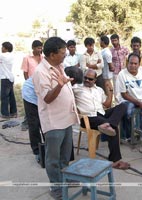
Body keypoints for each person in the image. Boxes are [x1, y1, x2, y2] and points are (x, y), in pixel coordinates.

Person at [32, 37, 79, 200]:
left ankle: (64, 178)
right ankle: (57, 187)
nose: (65, 55)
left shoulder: (58, 65)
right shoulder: (40, 72)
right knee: (53, 158)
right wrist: (60, 86)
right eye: (62, 53)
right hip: (53, 122)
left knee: (65, 155)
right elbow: (47, 98)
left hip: (66, 118)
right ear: (52, 54)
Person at [73, 69, 130, 169]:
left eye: (90, 79)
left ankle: (109, 124)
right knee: (113, 129)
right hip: (88, 118)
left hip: (101, 114)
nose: (87, 80)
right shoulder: (77, 89)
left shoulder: (98, 90)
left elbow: (107, 104)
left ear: (95, 80)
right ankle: (115, 160)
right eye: (85, 78)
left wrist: (111, 91)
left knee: (123, 106)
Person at [116, 53, 142, 139]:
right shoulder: (122, 74)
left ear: (139, 64)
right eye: (131, 63)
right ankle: (127, 136)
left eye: (135, 64)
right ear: (127, 63)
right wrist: (139, 103)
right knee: (128, 112)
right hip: (128, 100)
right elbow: (124, 95)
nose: (133, 65)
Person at [21, 40, 43, 131]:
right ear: (33, 48)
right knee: (30, 105)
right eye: (38, 48)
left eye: (41, 47)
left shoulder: (43, 57)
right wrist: (28, 83)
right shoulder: (27, 58)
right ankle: (25, 123)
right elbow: (25, 72)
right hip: (30, 85)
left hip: (40, 84)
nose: (40, 49)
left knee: (38, 104)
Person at [22, 77, 42, 163]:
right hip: (30, 94)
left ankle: (47, 148)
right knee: (34, 124)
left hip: (41, 94)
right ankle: (37, 151)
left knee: (45, 122)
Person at [0, 42, 17, 119]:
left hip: (5, 78)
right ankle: (13, 112)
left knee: (4, 96)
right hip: (11, 78)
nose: (1, 48)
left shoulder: (3, 56)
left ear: (6, 48)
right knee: (11, 96)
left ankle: (5, 114)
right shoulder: (12, 56)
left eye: (2, 47)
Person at [110, 34, 129, 101]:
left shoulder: (125, 49)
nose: (114, 42)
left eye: (115, 40)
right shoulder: (111, 51)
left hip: (124, 72)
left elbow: (128, 58)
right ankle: (117, 104)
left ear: (118, 40)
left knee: (126, 88)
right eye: (112, 41)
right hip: (116, 73)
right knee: (116, 89)